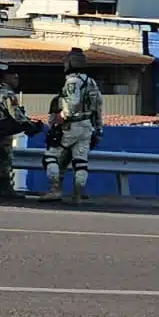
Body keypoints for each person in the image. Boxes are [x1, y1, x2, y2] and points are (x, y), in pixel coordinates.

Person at [40, 48, 104, 205]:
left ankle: (54, 190)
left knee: (51, 157)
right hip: (87, 126)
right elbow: (98, 105)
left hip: (71, 126)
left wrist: (63, 116)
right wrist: (99, 128)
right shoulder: (91, 81)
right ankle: (77, 194)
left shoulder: (72, 81)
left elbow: (73, 102)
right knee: (80, 161)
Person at [0, 66, 41, 199]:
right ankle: (6, 189)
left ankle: (5, 188)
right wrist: (29, 125)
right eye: (14, 77)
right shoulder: (7, 93)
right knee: (5, 159)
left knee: (3, 159)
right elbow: (15, 114)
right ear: (6, 77)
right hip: (3, 129)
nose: (16, 80)